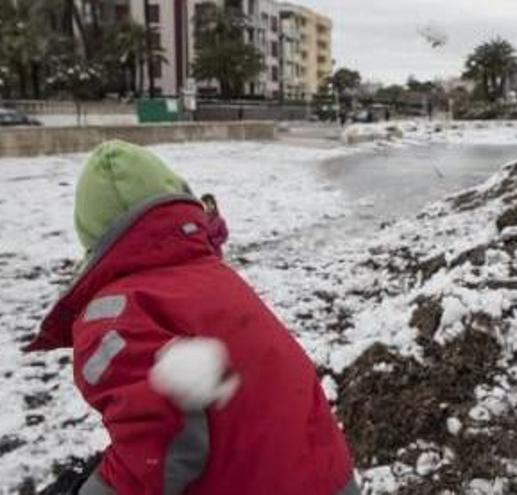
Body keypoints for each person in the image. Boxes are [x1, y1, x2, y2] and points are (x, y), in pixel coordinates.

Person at [25, 141, 358, 495]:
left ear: (91, 233)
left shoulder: (117, 313)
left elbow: (157, 452)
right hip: (329, 477)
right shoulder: (215, 277)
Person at [201, 193, 228, 257]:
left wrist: (213, 242)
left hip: (215, 252)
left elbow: (224, 236)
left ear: (214, 205)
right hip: (201, 252)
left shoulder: (220, 220)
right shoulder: (198, 219)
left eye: (211, 204)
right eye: (206, 204)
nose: (209, 207)